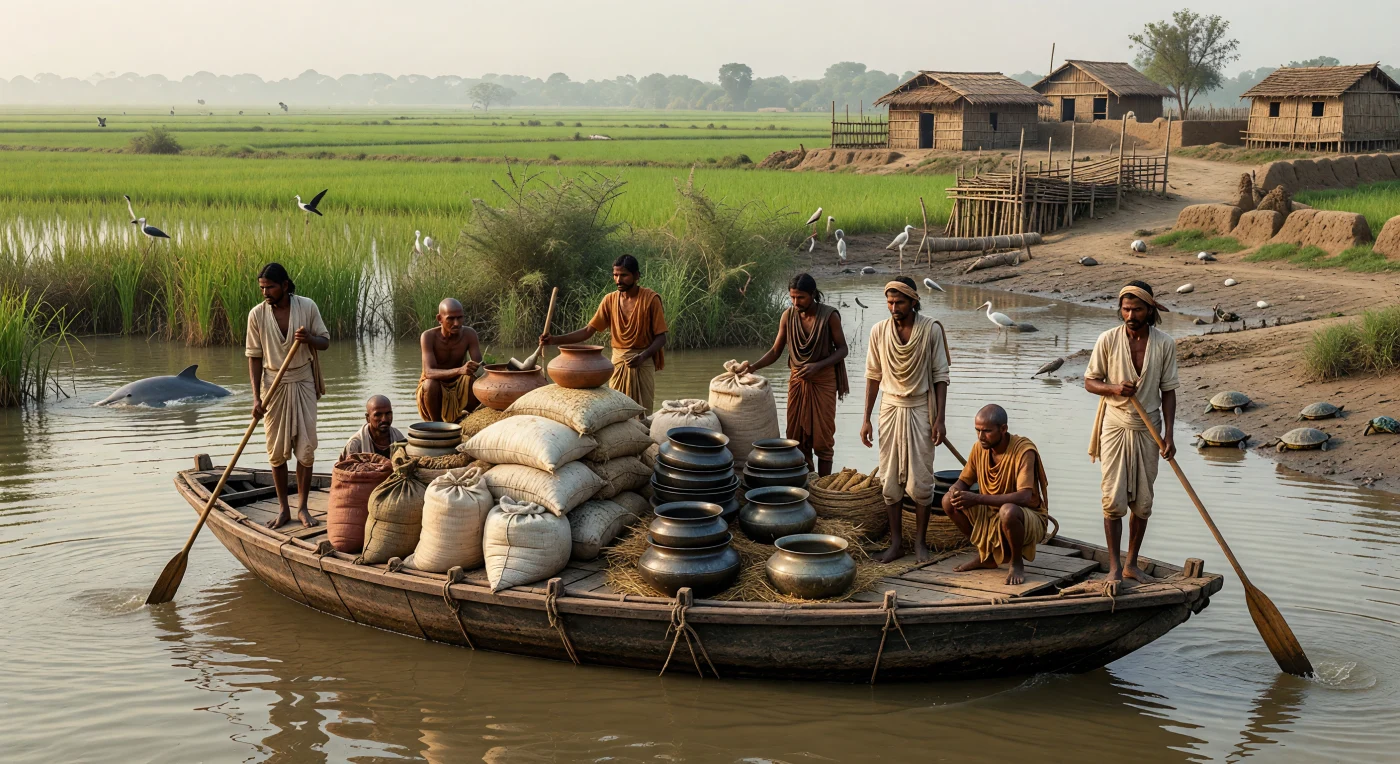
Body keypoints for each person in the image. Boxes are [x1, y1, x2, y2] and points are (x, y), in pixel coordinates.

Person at [1085, 281, 1179, 584]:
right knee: (1113, 499)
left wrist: (1169, 436)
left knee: (1143, 501)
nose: (1130, 315)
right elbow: (1090, 381)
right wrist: (1113, 387)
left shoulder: (1165, 344)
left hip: (1149, 428)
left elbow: (1168, 392)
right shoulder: (1108, 340)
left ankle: (1132, 564)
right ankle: (1114, 567)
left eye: (1136, 309)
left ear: (1149, 310)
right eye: (1125, 309)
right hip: (1114, 424)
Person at [860, 277, 951, 563]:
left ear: (913, 301)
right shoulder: (878, 331)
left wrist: (939, 419)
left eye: (899, 302)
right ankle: (897, 544)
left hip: (921, 408)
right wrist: (866, 419)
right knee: (889, 479)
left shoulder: (931, 329)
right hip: (889, 409)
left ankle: (920, 544)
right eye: (889, 302)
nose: (893, 307)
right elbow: (873, 376)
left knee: (922, 480)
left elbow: (941, 376)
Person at [737, 273, 849, 476]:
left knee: (823, 439)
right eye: (793, 297)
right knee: (796, 437)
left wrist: (817, 366)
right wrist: (752, 367)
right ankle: (805, 484)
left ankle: (824, 486)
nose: (796, 302)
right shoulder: (788, 316)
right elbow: (775, 351)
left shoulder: (830, 316)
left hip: (823, 381)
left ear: (813, 294)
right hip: (798, 380)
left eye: (801, 298)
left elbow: (843, 350)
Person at [246, 262, 330, 530]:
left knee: (306, 449)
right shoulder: (257, 316)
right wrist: (257, 399)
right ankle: (283, 509)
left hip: (303, 380)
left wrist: (308, 340)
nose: (265, 292)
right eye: (262, 287)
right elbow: (254, 358)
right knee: (276, 451)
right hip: (273, 384)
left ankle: (303, 508)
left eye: (270, 287)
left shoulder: (307, 307)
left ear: (284, 285)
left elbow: (325, 341)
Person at [942, 404, 1051, 585]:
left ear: (1003, 429)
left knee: (1007, 511)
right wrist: (954, 490)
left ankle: (1016, 563)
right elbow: (964, 481)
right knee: (948, 501)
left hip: (1025, 515)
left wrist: (976, 499)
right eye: (977, 430)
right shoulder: (979, 448)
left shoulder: (1024, 451)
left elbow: (1024, 497)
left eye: (986, 431)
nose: (980, 436)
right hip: (990, 511)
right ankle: (986, 556)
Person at [541, 255, 666, 410]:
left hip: (643, 361)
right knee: (616, 409)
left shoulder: (650, 299)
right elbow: (588, 331)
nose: (618, 280)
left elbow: (661, 338)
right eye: (615, 275)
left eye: (624, 275)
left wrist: (643, 357)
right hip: (619, 362)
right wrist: (554, 340)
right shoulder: (610, 300)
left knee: (644, 411)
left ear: (637, 276)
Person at [416, 298, 482, 423]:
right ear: (440, 319)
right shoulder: (428, 337)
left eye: (460, 317)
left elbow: (479, 368)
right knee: (430, 384)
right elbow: (429, 372)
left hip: (459, 384)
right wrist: (460, 370)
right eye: (451, 319)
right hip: (437, 386)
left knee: (475, 380)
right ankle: (437, 426)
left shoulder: (469, 334)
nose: (456, 323)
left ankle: (469, 420)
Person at [341, 395, 404, 461]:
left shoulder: (399, 438)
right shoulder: (355, 444)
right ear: (367, 418)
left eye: (388, 414)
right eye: (378, 415)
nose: (384, 419)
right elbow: (344, 469)